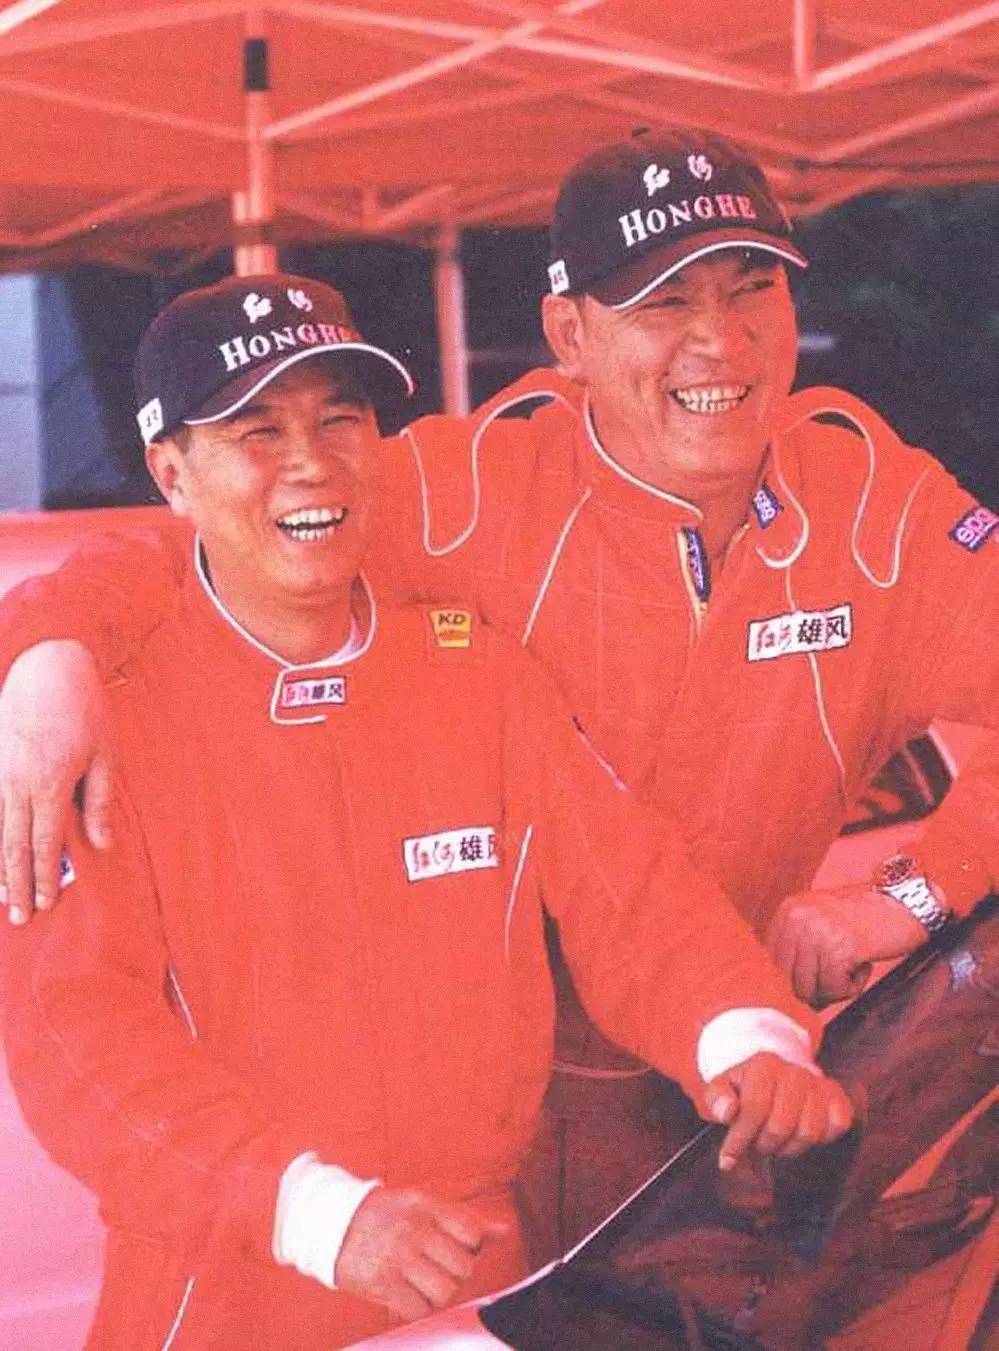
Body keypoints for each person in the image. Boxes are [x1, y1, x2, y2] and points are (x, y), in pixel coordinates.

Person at [1, 127, 997, 1247]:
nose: (719, 339)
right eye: (664, 300)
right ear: (568, 335)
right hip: (472, 1151)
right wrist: (46, 649)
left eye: (749, 286)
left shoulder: (878, 507)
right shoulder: (466, 491)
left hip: (737, 1083)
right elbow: (212, 542)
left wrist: (912, 894)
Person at [0, 275, 852, 1351]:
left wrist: (743, 1036)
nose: (311, 462)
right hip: (226, 1288)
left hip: (472, 1269)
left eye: (339, 419)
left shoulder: (476, 675)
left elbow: (632, 895)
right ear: (172, 474)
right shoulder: (98, 727)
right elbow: (80, 1045)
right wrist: (316, 1214)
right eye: (258, 432)